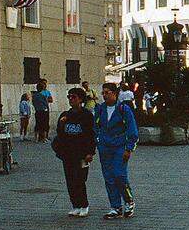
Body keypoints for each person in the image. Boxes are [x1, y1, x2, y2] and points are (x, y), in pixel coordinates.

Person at [94, 82, 138, 219]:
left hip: (120, 147)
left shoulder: (123, 109)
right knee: (109, 177)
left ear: (115, 93)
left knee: (119, 175)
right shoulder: (100, 109)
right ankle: (115, 207)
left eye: (107, 92)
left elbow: (132, 129)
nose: (104, 95)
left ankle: (129, 202)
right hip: (105, 147)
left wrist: (129, 148)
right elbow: (95, 126)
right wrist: (98, 141)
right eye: (103, 93)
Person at [54, 87, 96, 217]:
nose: (71, 99)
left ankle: (84, 205)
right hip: (68, 153)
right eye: (69, 97)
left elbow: (91, 134)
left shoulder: (87, 115)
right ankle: (75, 205)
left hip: (82, 153)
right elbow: (59, 134)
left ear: (80, 99)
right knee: (70, 179)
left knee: (80, 179)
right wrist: (61, 124)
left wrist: (90, 152)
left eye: (74, 97)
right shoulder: (65, 115)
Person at [32, 79, 53, 143]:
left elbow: (51, 100)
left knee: (39, 124)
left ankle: (38, 138)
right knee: (43, 124)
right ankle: (43, 138)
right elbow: (47, 101)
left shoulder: (35, 95)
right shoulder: (42, 95)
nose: (45, 85)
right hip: (44, 110)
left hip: (38, 110)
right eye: (44, 84)